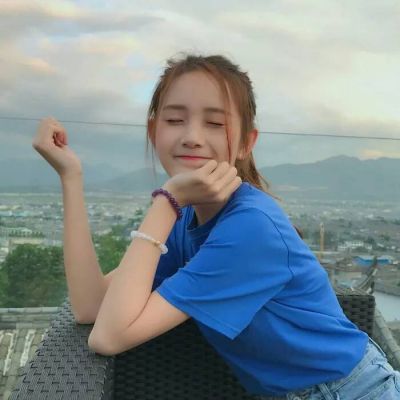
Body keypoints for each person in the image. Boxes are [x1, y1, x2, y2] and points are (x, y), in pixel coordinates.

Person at [32, 52, 400, 399]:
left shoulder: (250, 228)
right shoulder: (186, 218)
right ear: (153, 131)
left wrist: (166, 200)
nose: (192, 136)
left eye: (214, 123)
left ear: (246, 142)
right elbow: (91, 306)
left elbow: (108, 338)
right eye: (174, 120)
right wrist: (71, 177)